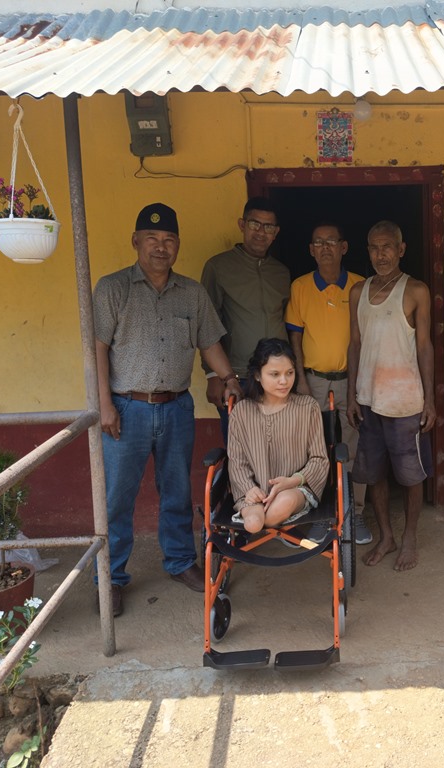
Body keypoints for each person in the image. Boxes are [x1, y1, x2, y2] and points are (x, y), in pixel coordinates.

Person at [93, 202, 241, 617]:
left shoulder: (192, 292)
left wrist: (230, 380)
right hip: (126, 407)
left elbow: (209, 342)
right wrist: (104, 405)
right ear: (136, 242)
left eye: (169, 240)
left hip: (176, 408)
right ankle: (111, 579)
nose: (161, 247)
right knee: (117, 499)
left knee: (176, 491)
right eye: (153, 239)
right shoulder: (112, 288)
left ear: (177, 246)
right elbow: (98, 350)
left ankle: (179, 563)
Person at [347, 220, 435, 572]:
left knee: (410, 475)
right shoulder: (358, 291)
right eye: (373, 247)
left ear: (401, 249)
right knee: (374, 474)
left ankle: (409, 536)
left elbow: (425, 346)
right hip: (369, 399)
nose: (380, 254)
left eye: (387, 247)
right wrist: (354, 395)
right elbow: (354, 344)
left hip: (405, 400)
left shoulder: (415, 290)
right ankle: (387, 535)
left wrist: (429, 400)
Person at [284, 220, 371, 545]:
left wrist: (361, 384)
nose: (324, 248)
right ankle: (321, 514)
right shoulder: (301, 286)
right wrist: (301, 380)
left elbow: (367, 339)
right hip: (314, 382)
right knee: (315, 452)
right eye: (318, 243)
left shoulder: (361, 285)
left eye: (331, 242)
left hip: (353, 381)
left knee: (354, 447)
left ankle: (355, 514)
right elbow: (295, 334)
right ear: (310, 250)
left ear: (343, 247)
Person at [200, 197, 290, 440]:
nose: (261, 232)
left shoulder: (281, 272)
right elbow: (206, 324)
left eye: (268, 227)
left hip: (277, 378)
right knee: (240, 449)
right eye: (254, 224)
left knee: (279, 446)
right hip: (238, 377)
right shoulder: (218, 267)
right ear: (242, 224)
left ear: (276, 233)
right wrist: (213, 375)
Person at [227, 338, 329, 534]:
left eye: (289, 373)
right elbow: (237, 461)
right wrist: (250, 489)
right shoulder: (241, 412)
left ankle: (267, 517)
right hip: (253, 492)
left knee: (282, 504)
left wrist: (292, 481)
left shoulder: (308, 408)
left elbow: (320, 459)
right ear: (257, 375)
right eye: (275, 374)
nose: (284, 381)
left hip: (296, 488)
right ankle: (259, 516)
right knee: (254, 523)